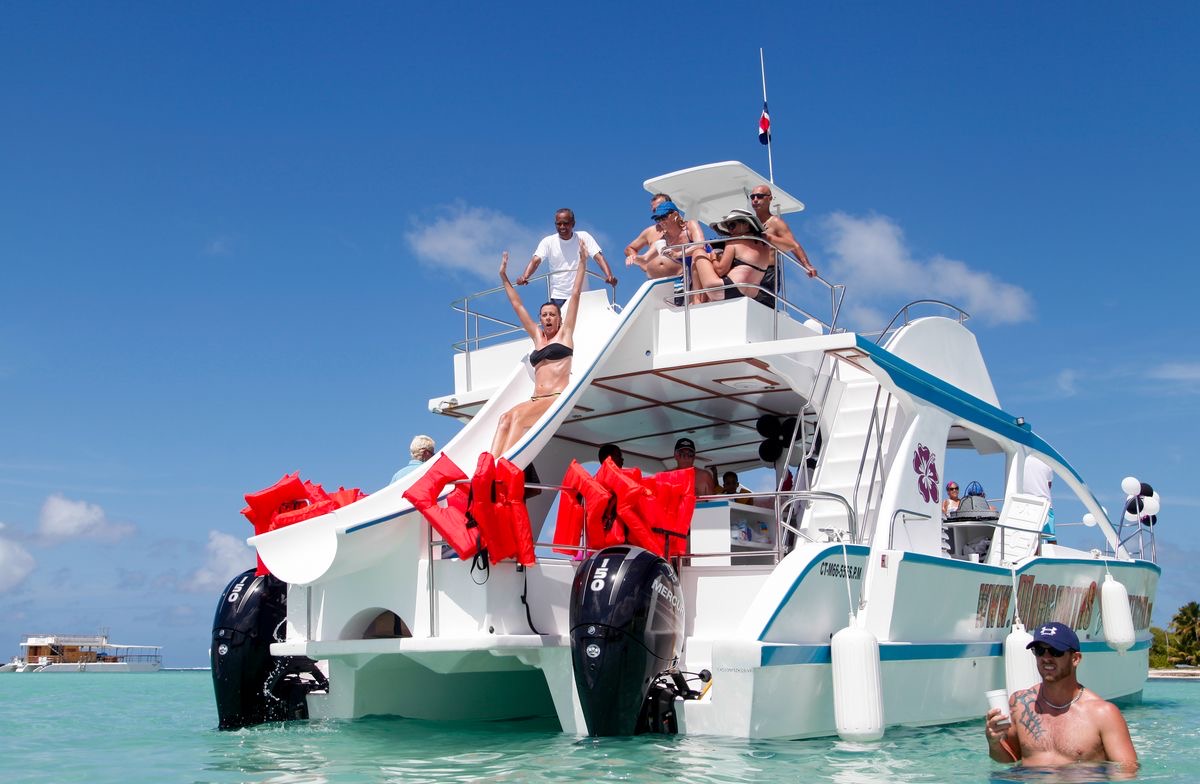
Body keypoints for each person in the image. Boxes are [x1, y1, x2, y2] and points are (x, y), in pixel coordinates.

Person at [985, 622, 1138, 773]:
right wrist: (994, 742)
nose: (1046, 658)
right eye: (1039, 651)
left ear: (1075, 659)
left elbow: (1127, 772)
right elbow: (1008, 759)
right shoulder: (1020, 703)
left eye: (1055, 651)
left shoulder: (1103, 713)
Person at [491, 242, 586, 456]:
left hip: (555, 397)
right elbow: (517, 305)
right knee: (504, 418)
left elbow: (576, 294)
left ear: (560, 318)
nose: (548, 318)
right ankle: (489, 467)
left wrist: (582, 262)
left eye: (553, 314)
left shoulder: (565, 334)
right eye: (544, 315)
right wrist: (503, 277)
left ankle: (504, 466)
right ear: (540, 319)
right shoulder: (537, 337)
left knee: (518, 418)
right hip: (535, 398)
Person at [517, 208, 616, 308]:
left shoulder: (584, 237)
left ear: (573, 223)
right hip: (558, 296)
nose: (562, 227)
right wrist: (525, 276)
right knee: (561, 323)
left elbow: (598, 258)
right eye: (558, 224)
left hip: (582, 295)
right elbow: (536, 261)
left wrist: (609, 275)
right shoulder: (548, 241)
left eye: (565, 223)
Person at [691, 209, 774, 303]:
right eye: (728, 227)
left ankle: (697, 300)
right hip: (751, 294)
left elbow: (720, 271)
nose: (730, 230)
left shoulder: (733, 243)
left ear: (746, 224)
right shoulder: (766, 247)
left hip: (727, 289)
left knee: (698, 252)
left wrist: (714, 257)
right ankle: (703, 300)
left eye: (732, 225)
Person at [748, 184, 818, 278]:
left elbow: (794, 245)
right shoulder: (749, 224)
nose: (755, 199)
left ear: (770, 198)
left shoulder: (776, 222)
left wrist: (807, 265)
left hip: (768, 273)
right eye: (752, 197)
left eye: (760, 196)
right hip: (750, 272)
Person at [623, 193, 683, 279]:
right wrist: (643, 265)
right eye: (654, 211)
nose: (657, 213)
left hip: (679, 277)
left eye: (658, 208)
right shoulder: (650, 231)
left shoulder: (684, 227)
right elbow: (630, 249)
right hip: (654, 280)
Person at [1023, 455, 1055, 543]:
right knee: (1051, 538)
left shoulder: (1023, 460)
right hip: (1044, 504)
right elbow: (1049, 485)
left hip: (1026, 503)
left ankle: (1035, 554)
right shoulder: (1047, 463)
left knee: (1032, 537)